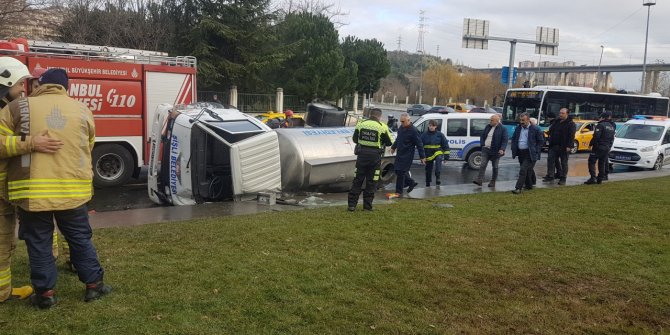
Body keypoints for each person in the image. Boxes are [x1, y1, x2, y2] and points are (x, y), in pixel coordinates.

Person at [0, 68, 111, 309]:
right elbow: (88, 144)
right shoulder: (82, 110)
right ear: (65, 87)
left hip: (32, 191)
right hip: (72, 190)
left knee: (38, 241)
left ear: (40, 84)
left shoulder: (16, 108)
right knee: (80, 238)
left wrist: (28, 144)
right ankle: (94, 285)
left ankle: (45, 294)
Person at [0, 58, 63, 304]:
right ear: (6, 83)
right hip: (4, 188)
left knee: (22, 232)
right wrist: (31, 143)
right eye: (20, 84)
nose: (24, 89)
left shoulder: (10, 107)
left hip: (10, 185)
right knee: (3, 240)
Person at [347, 108, 393, 211]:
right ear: (379, 116)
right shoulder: (382, 127)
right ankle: (367, 206)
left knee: (357, 180)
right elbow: (389, 142)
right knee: (372, 181)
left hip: (362, 156)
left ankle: (352, 205)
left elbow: (355, 139)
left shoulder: (361, 124)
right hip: (375, 157)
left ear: (370, 115)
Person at [390, 113, 425, 196]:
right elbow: (398, 139)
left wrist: (422, 157)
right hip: (400, 153)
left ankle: (399, 192)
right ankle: (411, 182)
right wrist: (393, 147)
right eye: (400, 121)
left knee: (401, 172)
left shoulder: (413, 131)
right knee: (397, 170)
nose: (401, 123)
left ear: (409, 120)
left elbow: (419, 144)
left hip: (407, 155)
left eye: (403, 121)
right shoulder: (401, 128)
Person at [511, 113, 544, 194]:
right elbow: (514, 138)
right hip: (520, 153)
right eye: (520, 120)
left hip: (530, 153)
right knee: (528, 170)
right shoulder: (518, 128)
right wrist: (513, 147)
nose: (521, 122)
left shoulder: (535, 129)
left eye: (523, 120)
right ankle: (529, 185)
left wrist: (536, 150)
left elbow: (541, 141)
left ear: (528, 120)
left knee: (523, 170)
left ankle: (518, 188)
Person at [543, 107, 576, 185]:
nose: (560, 114)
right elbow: (551, 130)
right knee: (550, 160)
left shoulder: (571, 124)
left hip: (564, 146)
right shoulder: (556, 121)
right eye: (560, 113)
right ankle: (550, 176)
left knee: (564, 162)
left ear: (567, 114)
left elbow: (571, 136)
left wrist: (569, 146)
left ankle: (563, 178)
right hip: (554, 145)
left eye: (562, 113)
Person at [474, 114, 508, 188]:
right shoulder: (488, 126)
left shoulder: (503, 129)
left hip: (496, 151)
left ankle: (493, 181)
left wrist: (502, 149)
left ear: (497, 121)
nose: (490, 121)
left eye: (492, 120)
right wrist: (482, 144)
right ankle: (479, 180)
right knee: (482, 165)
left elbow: (505, 140)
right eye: (490, 120)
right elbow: (482, 136)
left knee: (495, 166)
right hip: (485, 149)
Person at [585, 111, 616, 185]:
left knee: (591, 162)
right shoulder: (611, 126)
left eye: (600, 117)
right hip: (606, 147)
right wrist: (609, 146)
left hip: (598, 147)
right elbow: (612, 138)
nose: (599, 119)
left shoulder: (600, 125)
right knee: (602, 163)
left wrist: (591, 144)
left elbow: (596, 137)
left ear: (602, 118)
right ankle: (600, 179)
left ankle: (593, 178)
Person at [421, 119, 449, 187]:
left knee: (438, 160)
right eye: (430, 125)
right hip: (428, 154)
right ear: (428, 126)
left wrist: (446, 157)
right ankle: (428, 183)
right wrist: (422, 157)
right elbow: (420, 146)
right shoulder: (424, 135)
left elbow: (445, 145)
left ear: (436, 126)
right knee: (428, 169)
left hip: (437, 152)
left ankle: (438, 177)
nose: (431, 127)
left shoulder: (440, 135)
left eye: (433, 126)